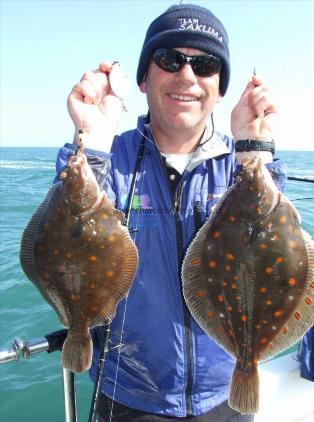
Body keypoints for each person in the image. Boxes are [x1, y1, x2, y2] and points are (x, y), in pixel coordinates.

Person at [56, 4, 286, 421]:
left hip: (225, 396)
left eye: (205, 65)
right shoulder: (110, 157)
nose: (187, 76)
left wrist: (255, 153)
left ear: (220, 88)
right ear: (144, 78)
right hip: (128, 395)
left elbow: (275, 253)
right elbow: (66, 232)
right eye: (170, 60)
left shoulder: (242, 164)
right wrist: (91, 138)